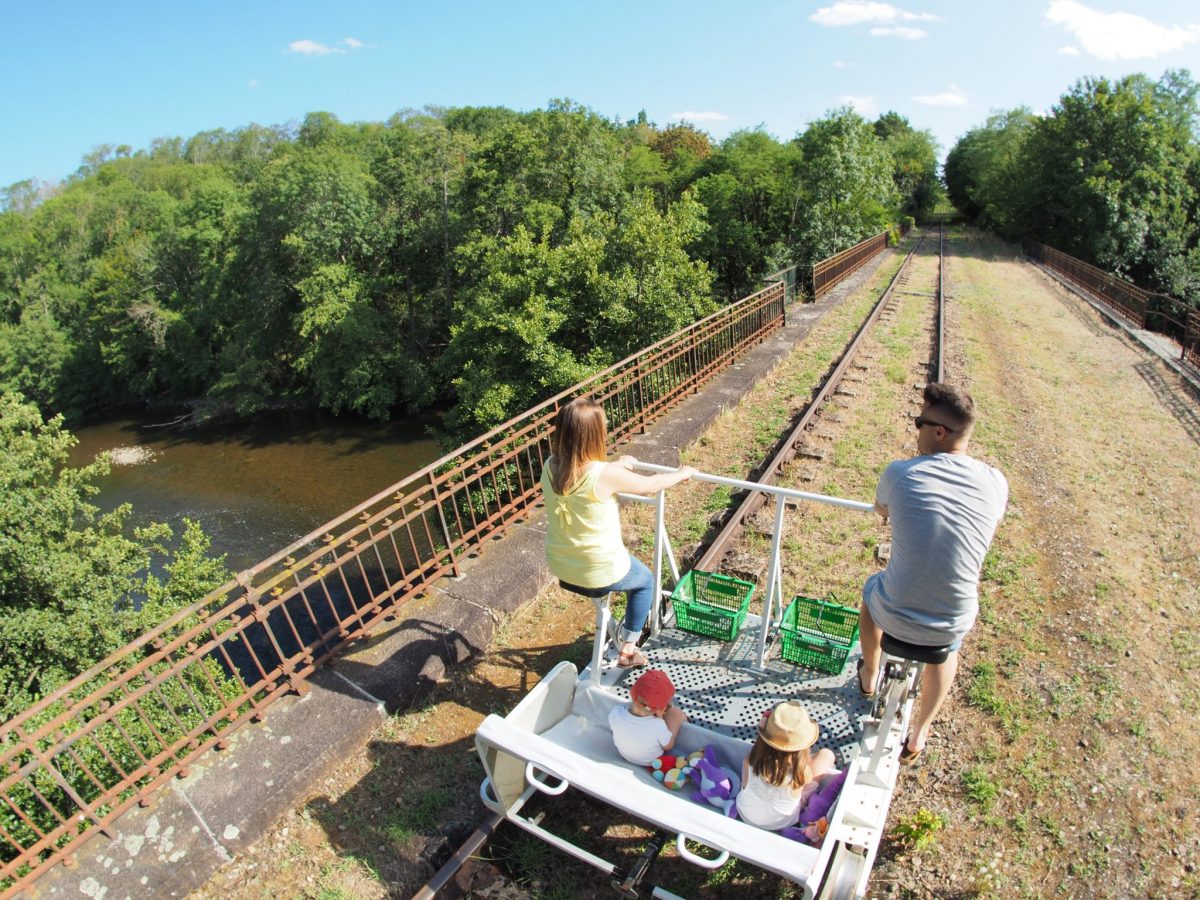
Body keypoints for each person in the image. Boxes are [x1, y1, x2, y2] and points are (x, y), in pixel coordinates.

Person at [856, 382, 1008, 764]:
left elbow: (882, 510)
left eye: (918, 421)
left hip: (894, 614)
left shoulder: (901, 472)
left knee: (870, 591)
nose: (916, 430)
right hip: (951, 623)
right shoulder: (995, 481)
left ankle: (870, 676)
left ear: (939, 431)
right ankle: (919, 733)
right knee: (949, 651)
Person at [541, 397, 696, 668]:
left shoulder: (550, 465)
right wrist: (682, 473)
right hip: (597, 570)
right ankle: (627, 649)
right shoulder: (604, 474)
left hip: (562, 565)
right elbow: (651, 485)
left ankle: (621, 639)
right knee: (645, 581)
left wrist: (618, 464)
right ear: (594, 434)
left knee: (626, 577)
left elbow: (589, 470)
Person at [735, 701, 837, 834]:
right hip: (781, 823)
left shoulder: (751, 759)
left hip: (745, 813)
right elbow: (804, 783)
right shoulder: (801, 772)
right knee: (826, 755)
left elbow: (745, 782)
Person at [608, 669, 688, 767]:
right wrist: (660, 718)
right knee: (676, 713)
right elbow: (668, 746)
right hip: (651, 762)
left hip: (625, 755)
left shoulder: (616, 712)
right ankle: (684, 719)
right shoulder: (658, 725)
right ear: (661, 708)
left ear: (632, 693)